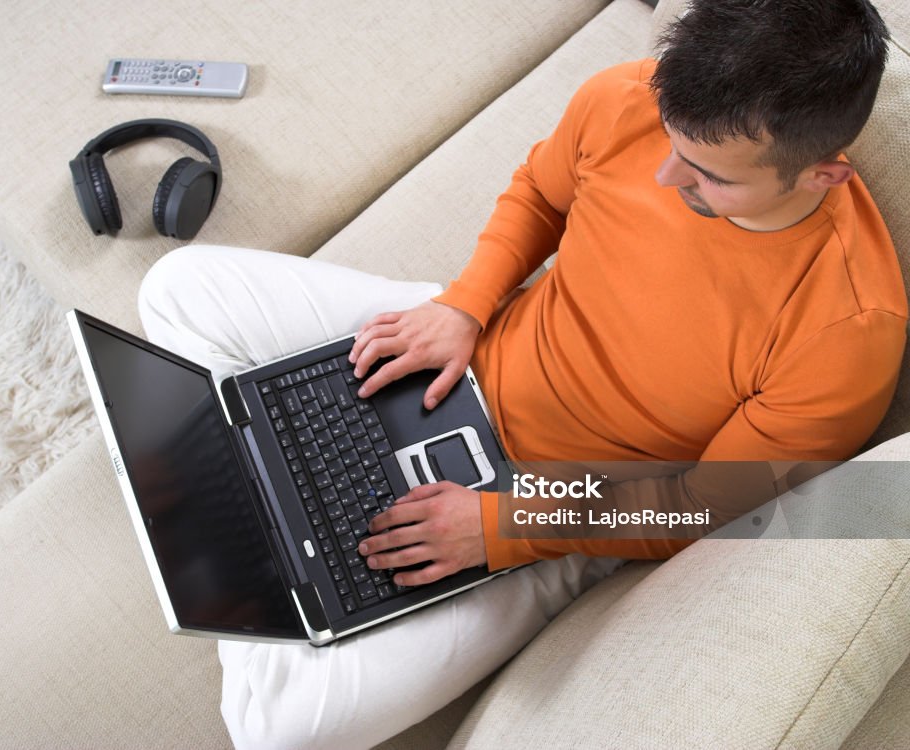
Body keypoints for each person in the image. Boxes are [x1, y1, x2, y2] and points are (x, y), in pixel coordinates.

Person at [136, 0, 906, 747]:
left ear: (820, 178)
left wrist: (502, 527)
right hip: (479, 344)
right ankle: (258, 511)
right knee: (175, 289)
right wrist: (464, 308)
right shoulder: (628, 97)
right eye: (672, 143)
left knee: (280, 729)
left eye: (709, 176)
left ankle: (235, 517)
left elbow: (699, 506)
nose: (668, 176)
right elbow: (541, 191)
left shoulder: (848, 334)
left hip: (558, 506)